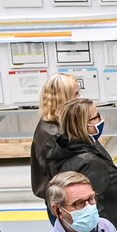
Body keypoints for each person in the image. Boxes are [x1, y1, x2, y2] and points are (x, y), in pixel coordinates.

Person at [49, 97, 117, 232]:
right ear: (82, 124)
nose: (101, 120)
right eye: (96, 117)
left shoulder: (67, 148)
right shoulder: (89, 163)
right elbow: (92, 208)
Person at [30, 73, 80, 217]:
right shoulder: (55, 137)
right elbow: (65, 177)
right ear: (63, 98)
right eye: (75, 94)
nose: (80, 98)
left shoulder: (58, 125)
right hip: (65, 205)